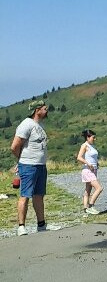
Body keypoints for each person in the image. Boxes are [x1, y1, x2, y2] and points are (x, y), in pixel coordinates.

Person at [10, 100, 49, 236]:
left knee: (39, 195)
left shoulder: (39, 125)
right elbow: (15, 146)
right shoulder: (26, 125)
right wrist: (21, 160)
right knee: (25, 195)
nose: (46, 110)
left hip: (40, 165)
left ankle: (41, 224)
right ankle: (21, 226)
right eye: (44, 108)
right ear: (37, 110)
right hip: (28, 165)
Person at [76, 129, 102, 214]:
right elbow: (79, 157)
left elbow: (93, 157)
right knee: (99, 188)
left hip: (93, 169)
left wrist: (96, 163)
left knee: (88, 190)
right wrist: (88, 163)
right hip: (87, 170)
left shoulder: (92, 146)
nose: (94, 139)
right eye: (93, 137)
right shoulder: (84, 146)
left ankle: (85, 208)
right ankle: (91, 205)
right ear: (88, 137)